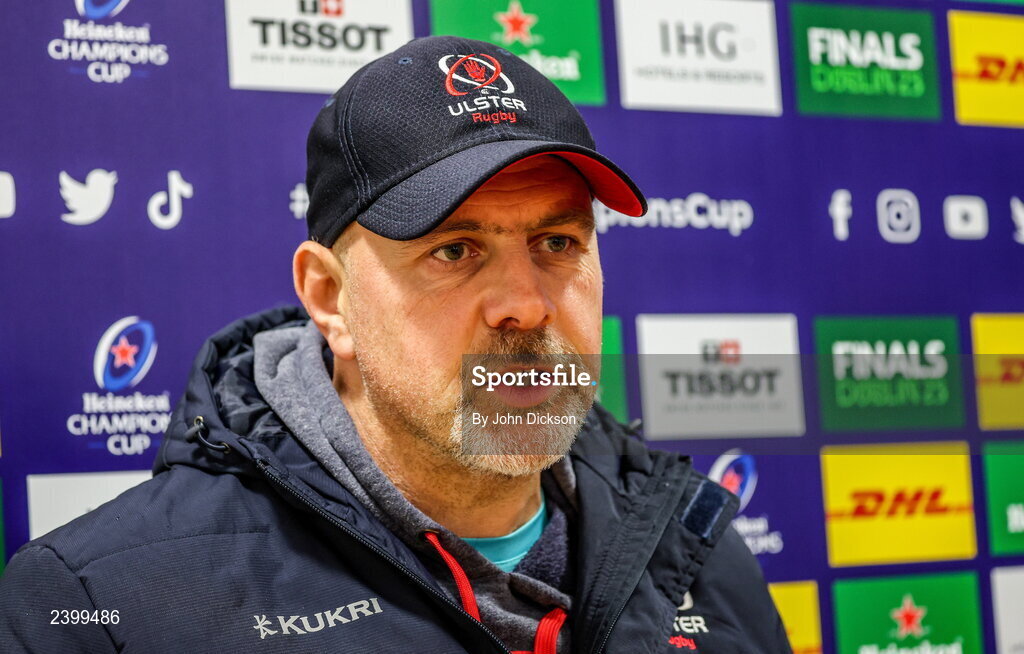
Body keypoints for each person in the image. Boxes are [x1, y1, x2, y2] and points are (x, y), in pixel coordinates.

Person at [0, 36, 790, 653]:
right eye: (455, 251)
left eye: (557, 243)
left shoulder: (699, 552)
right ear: (329, 297)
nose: (525, 306)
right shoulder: (99, 606)